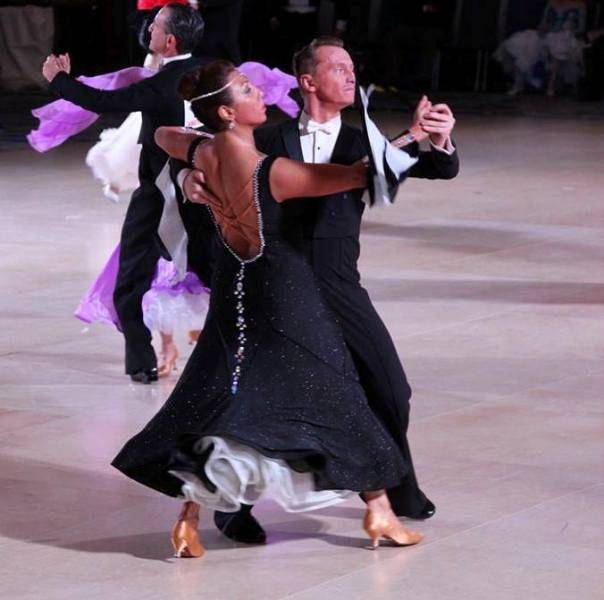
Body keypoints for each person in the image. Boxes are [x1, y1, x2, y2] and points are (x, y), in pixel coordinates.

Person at [112, 59, 424, 558]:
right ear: (228, 113)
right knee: (337, 390)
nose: (260, 94)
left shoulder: (205, 149)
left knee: (213, 396)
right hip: (285, 292)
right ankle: (380, 511)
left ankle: (188, 520)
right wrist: (408, 139)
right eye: (247, 91)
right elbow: (360, 175)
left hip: (234, 287)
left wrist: (193, 171)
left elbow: (166, 136)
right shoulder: (275, 172)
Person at [177, 36, 458, 544]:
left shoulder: (361, 142)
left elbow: (430, 166)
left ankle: (398, 485)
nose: (351, 75)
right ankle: (231, 506)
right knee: (251, 400)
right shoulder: (266, 135)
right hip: (275, 286)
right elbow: (212, 155)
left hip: (337, 284)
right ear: (308, 81)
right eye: (339, 67)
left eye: (353, 68)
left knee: (390, 388)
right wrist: (187, 178)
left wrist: (434, 139)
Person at [42, 3, 206, 383]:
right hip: (205, 196)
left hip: (159, 199)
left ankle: (142, 362)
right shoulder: (213, 73)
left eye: (155, 26)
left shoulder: (162, 84)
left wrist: (58, 80)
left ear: (168, 40)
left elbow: (106, 103)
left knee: (130, 284)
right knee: (214, 276)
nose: (148, 30)